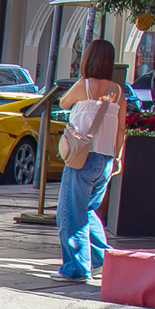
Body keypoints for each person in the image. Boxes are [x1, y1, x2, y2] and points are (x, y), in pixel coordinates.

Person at [53, 37, 126, 284]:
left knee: (70, 214)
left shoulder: (84, 85)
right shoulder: (117, 91)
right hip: (105, 159)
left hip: (82, 158)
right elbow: (121, 129)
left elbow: (63, 103)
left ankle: (76, 268)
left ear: (89, 59)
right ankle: (103, 260)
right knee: (88, 210)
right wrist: (118, 157)